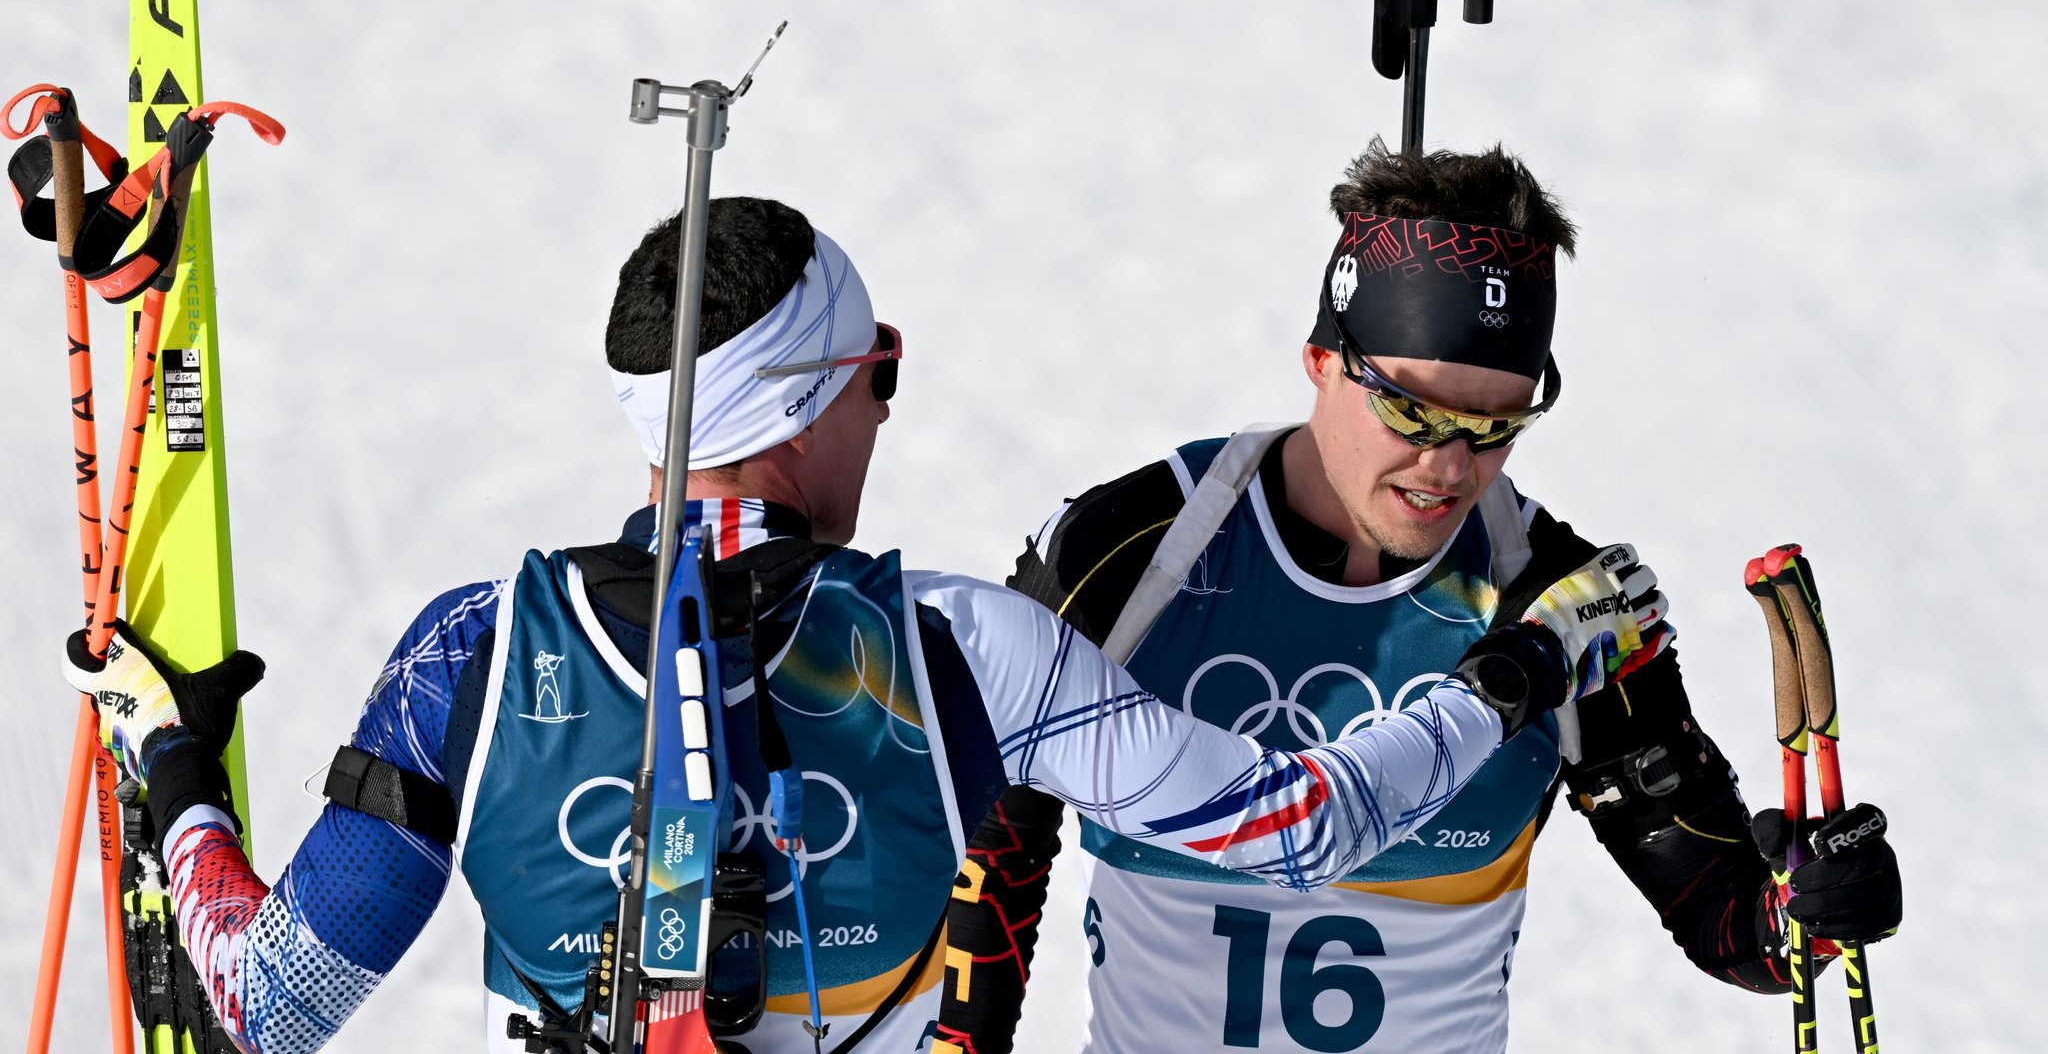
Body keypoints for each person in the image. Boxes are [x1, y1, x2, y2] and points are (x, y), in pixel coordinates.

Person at [60, 196, 1663, 1054]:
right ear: (827, 393)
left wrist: (174, 775)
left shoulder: (474, 651)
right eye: (878, 375)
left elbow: (264, 1002)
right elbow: (1301, 823)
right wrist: (1523, 668)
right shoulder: (960, 646)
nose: (885, 415)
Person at [933, 142, 1906, 1054]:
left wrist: (1812, 910)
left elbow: (1722, 916)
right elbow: (985, 858)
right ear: (1321, 360)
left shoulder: (1553, 597)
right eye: (1409, 408)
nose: (1446, 466)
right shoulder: (1129, 554)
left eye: (1494, 425)